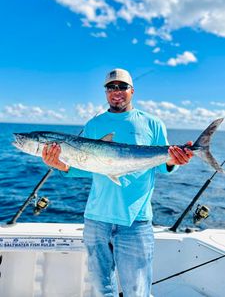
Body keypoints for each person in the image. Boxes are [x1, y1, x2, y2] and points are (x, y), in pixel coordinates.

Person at [42, 68, 193, 297]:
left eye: (122, 87)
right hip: (96, 219)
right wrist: (62, 166)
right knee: (103, 290)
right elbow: (87, 168)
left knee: (137, 291)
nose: (117, 92)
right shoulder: (93, 124)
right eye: (111, 87)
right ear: (105, 92)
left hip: (136, 220)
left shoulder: (152, 124)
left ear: (132, 90)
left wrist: (176, 160)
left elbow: (163, 165)